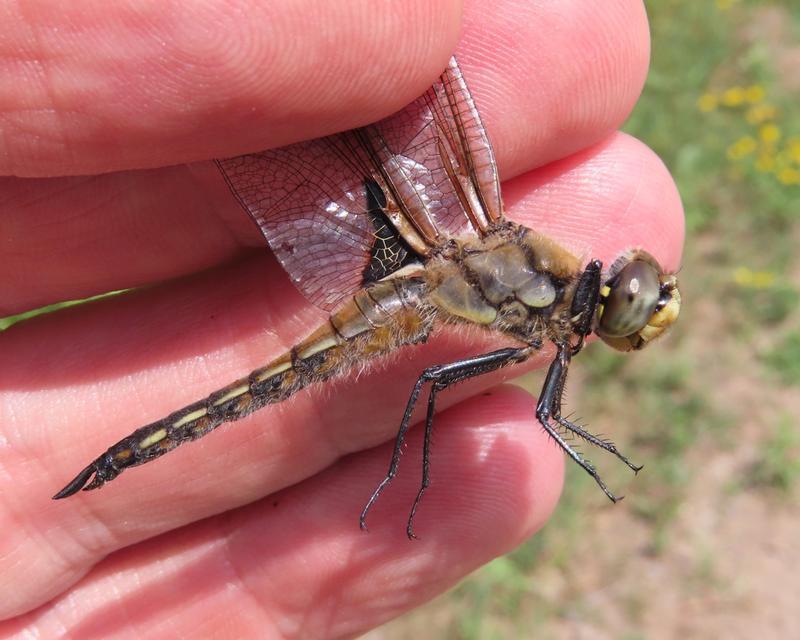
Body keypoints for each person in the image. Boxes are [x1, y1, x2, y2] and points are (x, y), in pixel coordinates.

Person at [0, 0, 684, 636]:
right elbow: (524, 408)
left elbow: (539, 411)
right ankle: (128, 454)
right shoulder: (551, 300)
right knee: (398, 385)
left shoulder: (553, 309)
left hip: (416, 280)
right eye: (635, 297)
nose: (633, 309)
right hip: (408, 292)